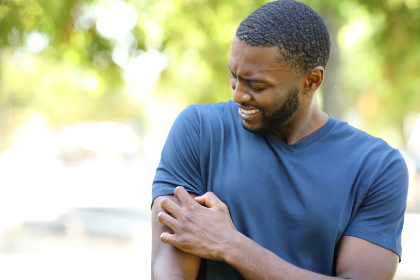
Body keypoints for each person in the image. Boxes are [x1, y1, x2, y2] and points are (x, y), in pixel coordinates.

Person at [151, 0, 409, 279]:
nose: (238, 95)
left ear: (312, 80)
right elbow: (171, 266)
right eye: (234, 76)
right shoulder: (199, 131)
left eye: (257, 85)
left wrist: (233, 246)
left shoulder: (378, 167)